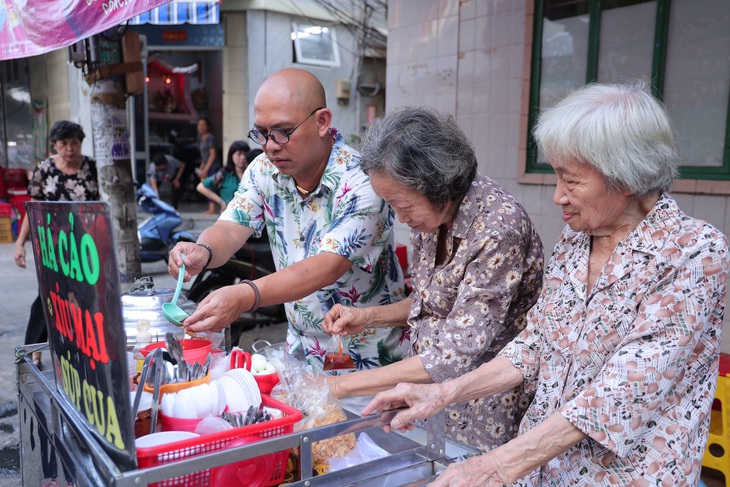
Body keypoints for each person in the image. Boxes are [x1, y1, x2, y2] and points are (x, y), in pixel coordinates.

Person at [362, 81, 730, 486]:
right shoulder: (577, 239)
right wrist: (443, 394)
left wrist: (496, 466)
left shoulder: (693, 252)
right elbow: (535, 345)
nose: (558, 197)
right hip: (545, 471)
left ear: (626, 177)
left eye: (571, 181)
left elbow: (621, 394)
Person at [320, 107, 544, 450]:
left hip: (483, 403)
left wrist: (340, 386)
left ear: (438, 185)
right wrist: (367, 317)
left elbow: (454, 352)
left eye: (401, 204)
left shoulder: (499, 228)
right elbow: (436, 300)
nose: (399, 216)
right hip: (431, 392)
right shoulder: (432, 216)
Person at [168, 68, 409, 371]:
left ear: (322, 121)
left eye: (283, 131)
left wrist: (246, 295)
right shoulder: (263, 170)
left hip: (371, 356)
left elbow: (325, 267)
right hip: (300, 352)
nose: (270, 145)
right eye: (262, 133)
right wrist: (202, 251)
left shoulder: (363, 180)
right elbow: (231, 227)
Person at [14, 120, 100, 367]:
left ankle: (81, 347)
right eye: (64, 143)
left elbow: (100, 206)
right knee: (47, 296)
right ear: (55, 145)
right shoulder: (45, 169)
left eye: (75, 143)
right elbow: (32, 210)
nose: (70, 148)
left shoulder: (91, 167)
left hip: (84, 244)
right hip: (52, 245)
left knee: (83, 295)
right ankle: (34, 349)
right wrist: (20, 243)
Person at [196, 140, 257, 213]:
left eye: (245, 154)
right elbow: (201, 187)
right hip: (230, 216)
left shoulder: (254, 173)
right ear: (231, 156)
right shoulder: (224, 174)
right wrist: (221, 202)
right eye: (239, 154)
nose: (243, 157)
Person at [197, 117, 221, 214]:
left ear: (208, 126)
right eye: (199, 125)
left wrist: (206, 169)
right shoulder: (202, 138)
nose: (201, 127)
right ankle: (211, 207)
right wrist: (202, 167)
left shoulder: (210, 137)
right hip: (207, 166)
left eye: (204, 125)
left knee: (209, 187)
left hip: (213, 167)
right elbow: (205, 156)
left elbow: (213, 154)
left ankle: (212, 208)